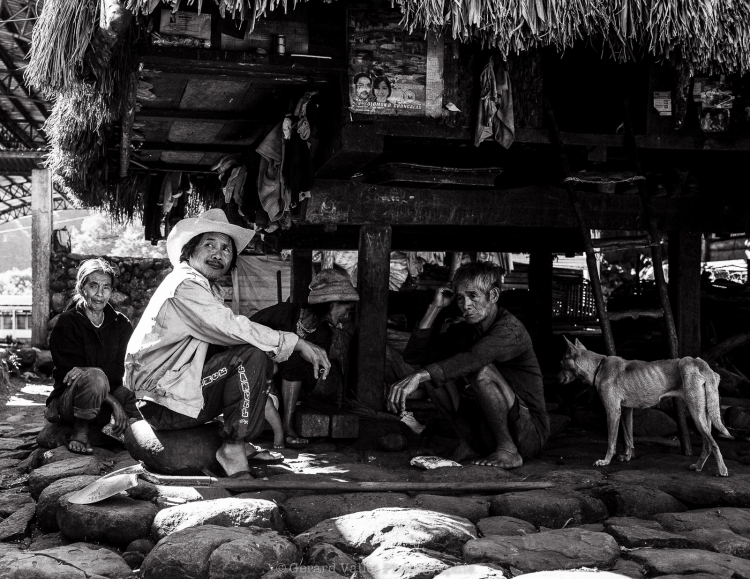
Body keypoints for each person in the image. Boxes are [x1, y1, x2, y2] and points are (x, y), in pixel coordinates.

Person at [124, 209, 331, 477]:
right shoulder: (185, 285)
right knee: (249, 355)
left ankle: (240, 442)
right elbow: (231, 327)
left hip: (172, 394)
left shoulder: (204, 287)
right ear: (190, 251)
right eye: (209, 244)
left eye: (226, 249)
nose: (218, 254)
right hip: (163, 404)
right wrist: (296, 342)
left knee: (253, 354)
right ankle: (233, 447)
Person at [387, 262, 550, 469]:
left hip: (527, 434)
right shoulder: (465, 331)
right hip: (483, 430)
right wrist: (434, 308)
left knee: (481, 371)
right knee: (431, 369)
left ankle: (508, 450)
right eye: (460, 298)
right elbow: (415, 356)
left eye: (473, 296)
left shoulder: (510, 329)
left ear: (493, 296)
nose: (465, 305)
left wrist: (419, 376)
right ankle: (468, 444)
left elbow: (474, 358)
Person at [251, 269, 359, 447]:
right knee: (296, 354)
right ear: (332, 304)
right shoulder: (284, 312)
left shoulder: (324, 334)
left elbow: (309, 375)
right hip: (260, 376)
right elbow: (248, 331)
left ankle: (287, 426)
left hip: (288, 387)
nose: (347, 317)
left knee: (298, 359)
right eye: (347, 309)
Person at [47, 259, 139, 454]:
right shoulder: (67, 323)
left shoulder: (121, 324)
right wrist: (114, 403)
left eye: (106, 287)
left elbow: (122, 370)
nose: (99, 293)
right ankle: (80, 430)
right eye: (93, 286)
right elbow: (71, 374)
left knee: (139, 388)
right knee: (94, 377)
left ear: (111, 291)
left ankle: (121, 432)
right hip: (73, 400)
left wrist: (113, 393)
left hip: (110, 392)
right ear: (82, 288)